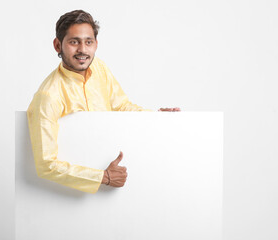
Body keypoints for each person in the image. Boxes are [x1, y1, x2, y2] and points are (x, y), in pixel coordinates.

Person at [27, 10, 180, 194]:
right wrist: (103, 177)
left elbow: (121, 106)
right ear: (57, 45)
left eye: (88, 42)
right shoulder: (48, 95)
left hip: (115, 184)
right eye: (74, 42)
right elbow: (46, 164)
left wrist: (154, 117)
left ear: (96, 44)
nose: (82, 49)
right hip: (67, 196)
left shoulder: (99, 68)